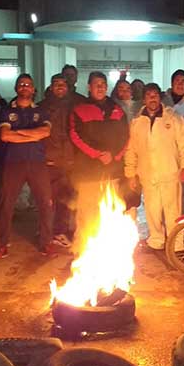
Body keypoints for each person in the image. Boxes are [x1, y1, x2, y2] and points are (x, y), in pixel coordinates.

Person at [0, 74, 56, 259]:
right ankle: (1, 244)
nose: (25, 87)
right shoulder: (6, 110)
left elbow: (45, 132)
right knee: (5, 204)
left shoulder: (41, 111)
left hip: (37, 162)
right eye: (21, 84)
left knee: (45, 203)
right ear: (16, 88)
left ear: (33, 89)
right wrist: (32, 134)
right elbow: (5, 136)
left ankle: (46, 242)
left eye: (28, 84)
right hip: (13, 162)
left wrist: (17, 132)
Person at [125, 83, 184, 250]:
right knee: (152, 211)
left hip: (171, 172)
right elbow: (132, 149)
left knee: (173, 211)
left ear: (160, 97)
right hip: (148, 175)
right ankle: (156, 240)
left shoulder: (173, 118)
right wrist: (130, 173)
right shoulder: (137, 123)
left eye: (155, 95)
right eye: (149, 95)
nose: (152, 98)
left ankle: (176, 244)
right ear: (144, 99)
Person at [69, 71, 129, 251]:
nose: (101, 87)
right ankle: (82, 249)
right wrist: (97, 154)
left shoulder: (117, 109)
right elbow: (75, 136)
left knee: (111, 211)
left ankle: (109, 250)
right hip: (88, 173)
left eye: (103, 84)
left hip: (113, 171)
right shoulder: (79, 109)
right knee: (86, 213)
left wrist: (115, 155)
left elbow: (126, 136)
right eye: (97, 84)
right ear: (89, 87)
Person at [40, 74, 76, 248]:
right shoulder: (42, 107)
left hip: (69, 161)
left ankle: (60, 232)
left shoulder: (75, 105)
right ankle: (45, 233)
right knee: (47, 200)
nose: (60, 87)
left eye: (63, 84)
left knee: (66, 199)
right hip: (49, 161)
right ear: (51, 87)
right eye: (56, 84)